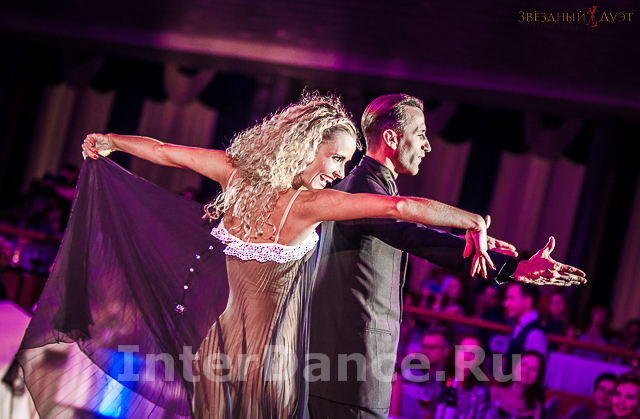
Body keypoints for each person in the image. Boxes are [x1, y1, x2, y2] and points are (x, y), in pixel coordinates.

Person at [18, 92, 504, 419]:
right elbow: (400, 207)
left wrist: (109, 142)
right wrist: (472, 220)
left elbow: (163, 151)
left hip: (214, 350)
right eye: (336, 158)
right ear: (306, 148)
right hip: (270, 363)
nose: (340, 172)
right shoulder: (308, 206)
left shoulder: (235, 175)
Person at [308, 94, 585, 419]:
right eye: (420, 134)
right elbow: (421, 239)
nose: (427, 146)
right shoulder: (361, 191)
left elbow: (413, 232)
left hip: (346, 369)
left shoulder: (368, 188)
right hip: (346, 373)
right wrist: (516, 268)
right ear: (392, 138)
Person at [503, 282, 549, 376]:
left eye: (511, 299)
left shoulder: (535, 334)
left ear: (528, 301)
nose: (505, 304)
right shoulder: (521, 325)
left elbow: (534, 375)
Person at [489, 350, 545, 419]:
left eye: (533, 369)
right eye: (523, 365)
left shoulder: (535, 406)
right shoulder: (493, 393)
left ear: (538, 377)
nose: (526, 371)